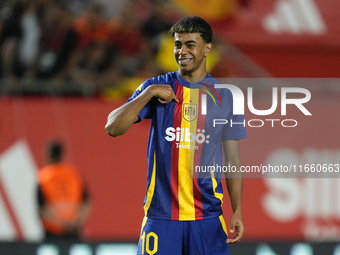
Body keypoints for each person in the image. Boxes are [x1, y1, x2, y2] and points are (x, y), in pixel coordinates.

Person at [105, 16, 247, 255]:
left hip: (207, 218)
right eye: (178, 44)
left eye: (190, 44)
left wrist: (238, 210)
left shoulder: (226, 97)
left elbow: (233, 160)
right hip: (161, 217)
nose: (182, 51)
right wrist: (147, 93)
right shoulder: (156, 87)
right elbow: (112, 127)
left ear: (207, 49)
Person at [37, 140, 91, 240]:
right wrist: (75, 223)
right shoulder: (74, 174)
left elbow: (42, 209)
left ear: (48, 155)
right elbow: (87, 204)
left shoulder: (43, 177)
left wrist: (62, 224)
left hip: (52, 233)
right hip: (74, 231)